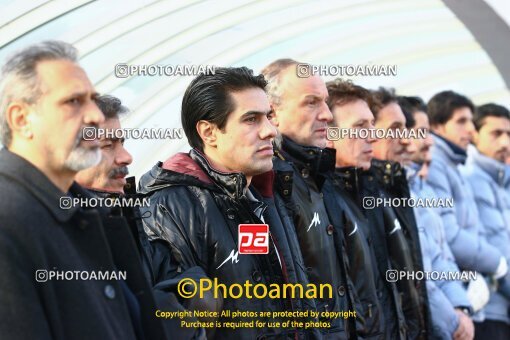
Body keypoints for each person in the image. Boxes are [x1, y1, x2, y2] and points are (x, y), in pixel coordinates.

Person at [0, 40, 166, 339]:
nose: (94, 116)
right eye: (73, 101)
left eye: (92, 100)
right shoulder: (10, 220)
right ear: (21, 119)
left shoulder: (90, 212)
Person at [139, 66, 317, 339]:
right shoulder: (168, 206)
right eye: (251, 120)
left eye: (268, 117)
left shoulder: (266, 192)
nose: (270, 131)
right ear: (209, 132)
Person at [262, 59, 356, 338]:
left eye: (325, 102)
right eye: (311, 102)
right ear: (273, 112)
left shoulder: (320, 175)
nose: (327, 114)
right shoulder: (264, 184)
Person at [400, 95, 474, 340]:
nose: (429, 141)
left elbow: (443, 257)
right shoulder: (399, 192)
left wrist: (460, 306)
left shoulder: (423, 188)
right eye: (421, 132)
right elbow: (419, 270)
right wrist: (454, 321)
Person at [324, 78, 393, 339]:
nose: (374, 137)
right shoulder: (320, 202)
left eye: (373, 125)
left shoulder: (365, 191)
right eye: (360, 127)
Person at [426, 91, 508, 295]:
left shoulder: (454, 166)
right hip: (479, 294)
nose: (470, 130)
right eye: (461, 121)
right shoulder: (437, 165)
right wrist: (497, 262)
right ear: (436, 126)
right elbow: (449, 234)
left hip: (482, 292)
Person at [366, 87, 430, 339]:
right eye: (394, 130)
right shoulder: (363, 198)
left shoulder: (395, 188)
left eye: (405, 129)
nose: (406, 140)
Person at [462, 103, 510, 339]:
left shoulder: (502, 181)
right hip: (488, 313)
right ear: (475, 135)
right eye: (496, 133)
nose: (504, 143)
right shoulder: (472, 179)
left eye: (508, 134)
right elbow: (496, 246)